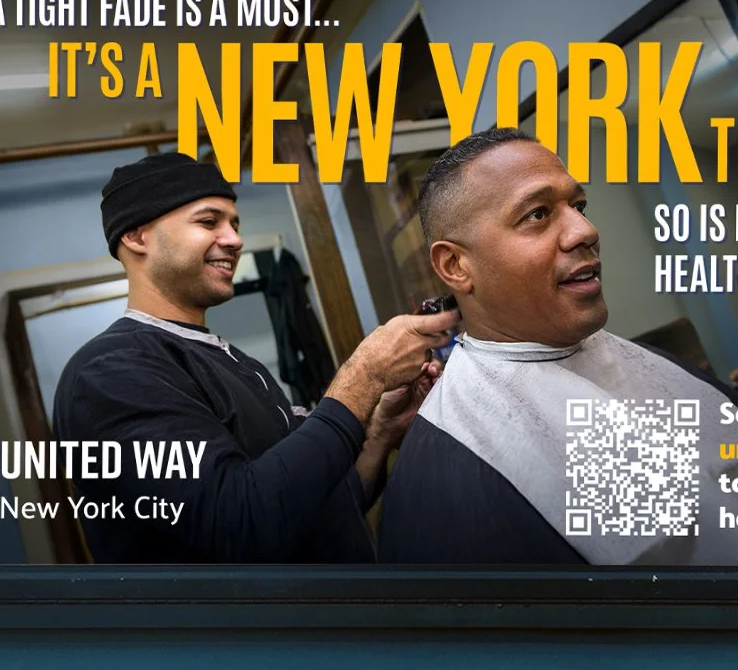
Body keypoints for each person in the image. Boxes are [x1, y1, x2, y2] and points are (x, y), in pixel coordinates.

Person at [377, 129, 738, 568]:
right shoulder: (453, 470)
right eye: (538, 215)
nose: (585, 230)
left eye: (579, 204)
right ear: (456, 266)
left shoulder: (650, 362)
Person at [53, 152, 457, 564]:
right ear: (137, 237)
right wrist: (365, 376)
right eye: (209, 222)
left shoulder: (234, 362)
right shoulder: (111, 371)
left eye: (234, 223)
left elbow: (315, 510)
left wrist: (380, 434)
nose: (234, 239)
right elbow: (241, 526)